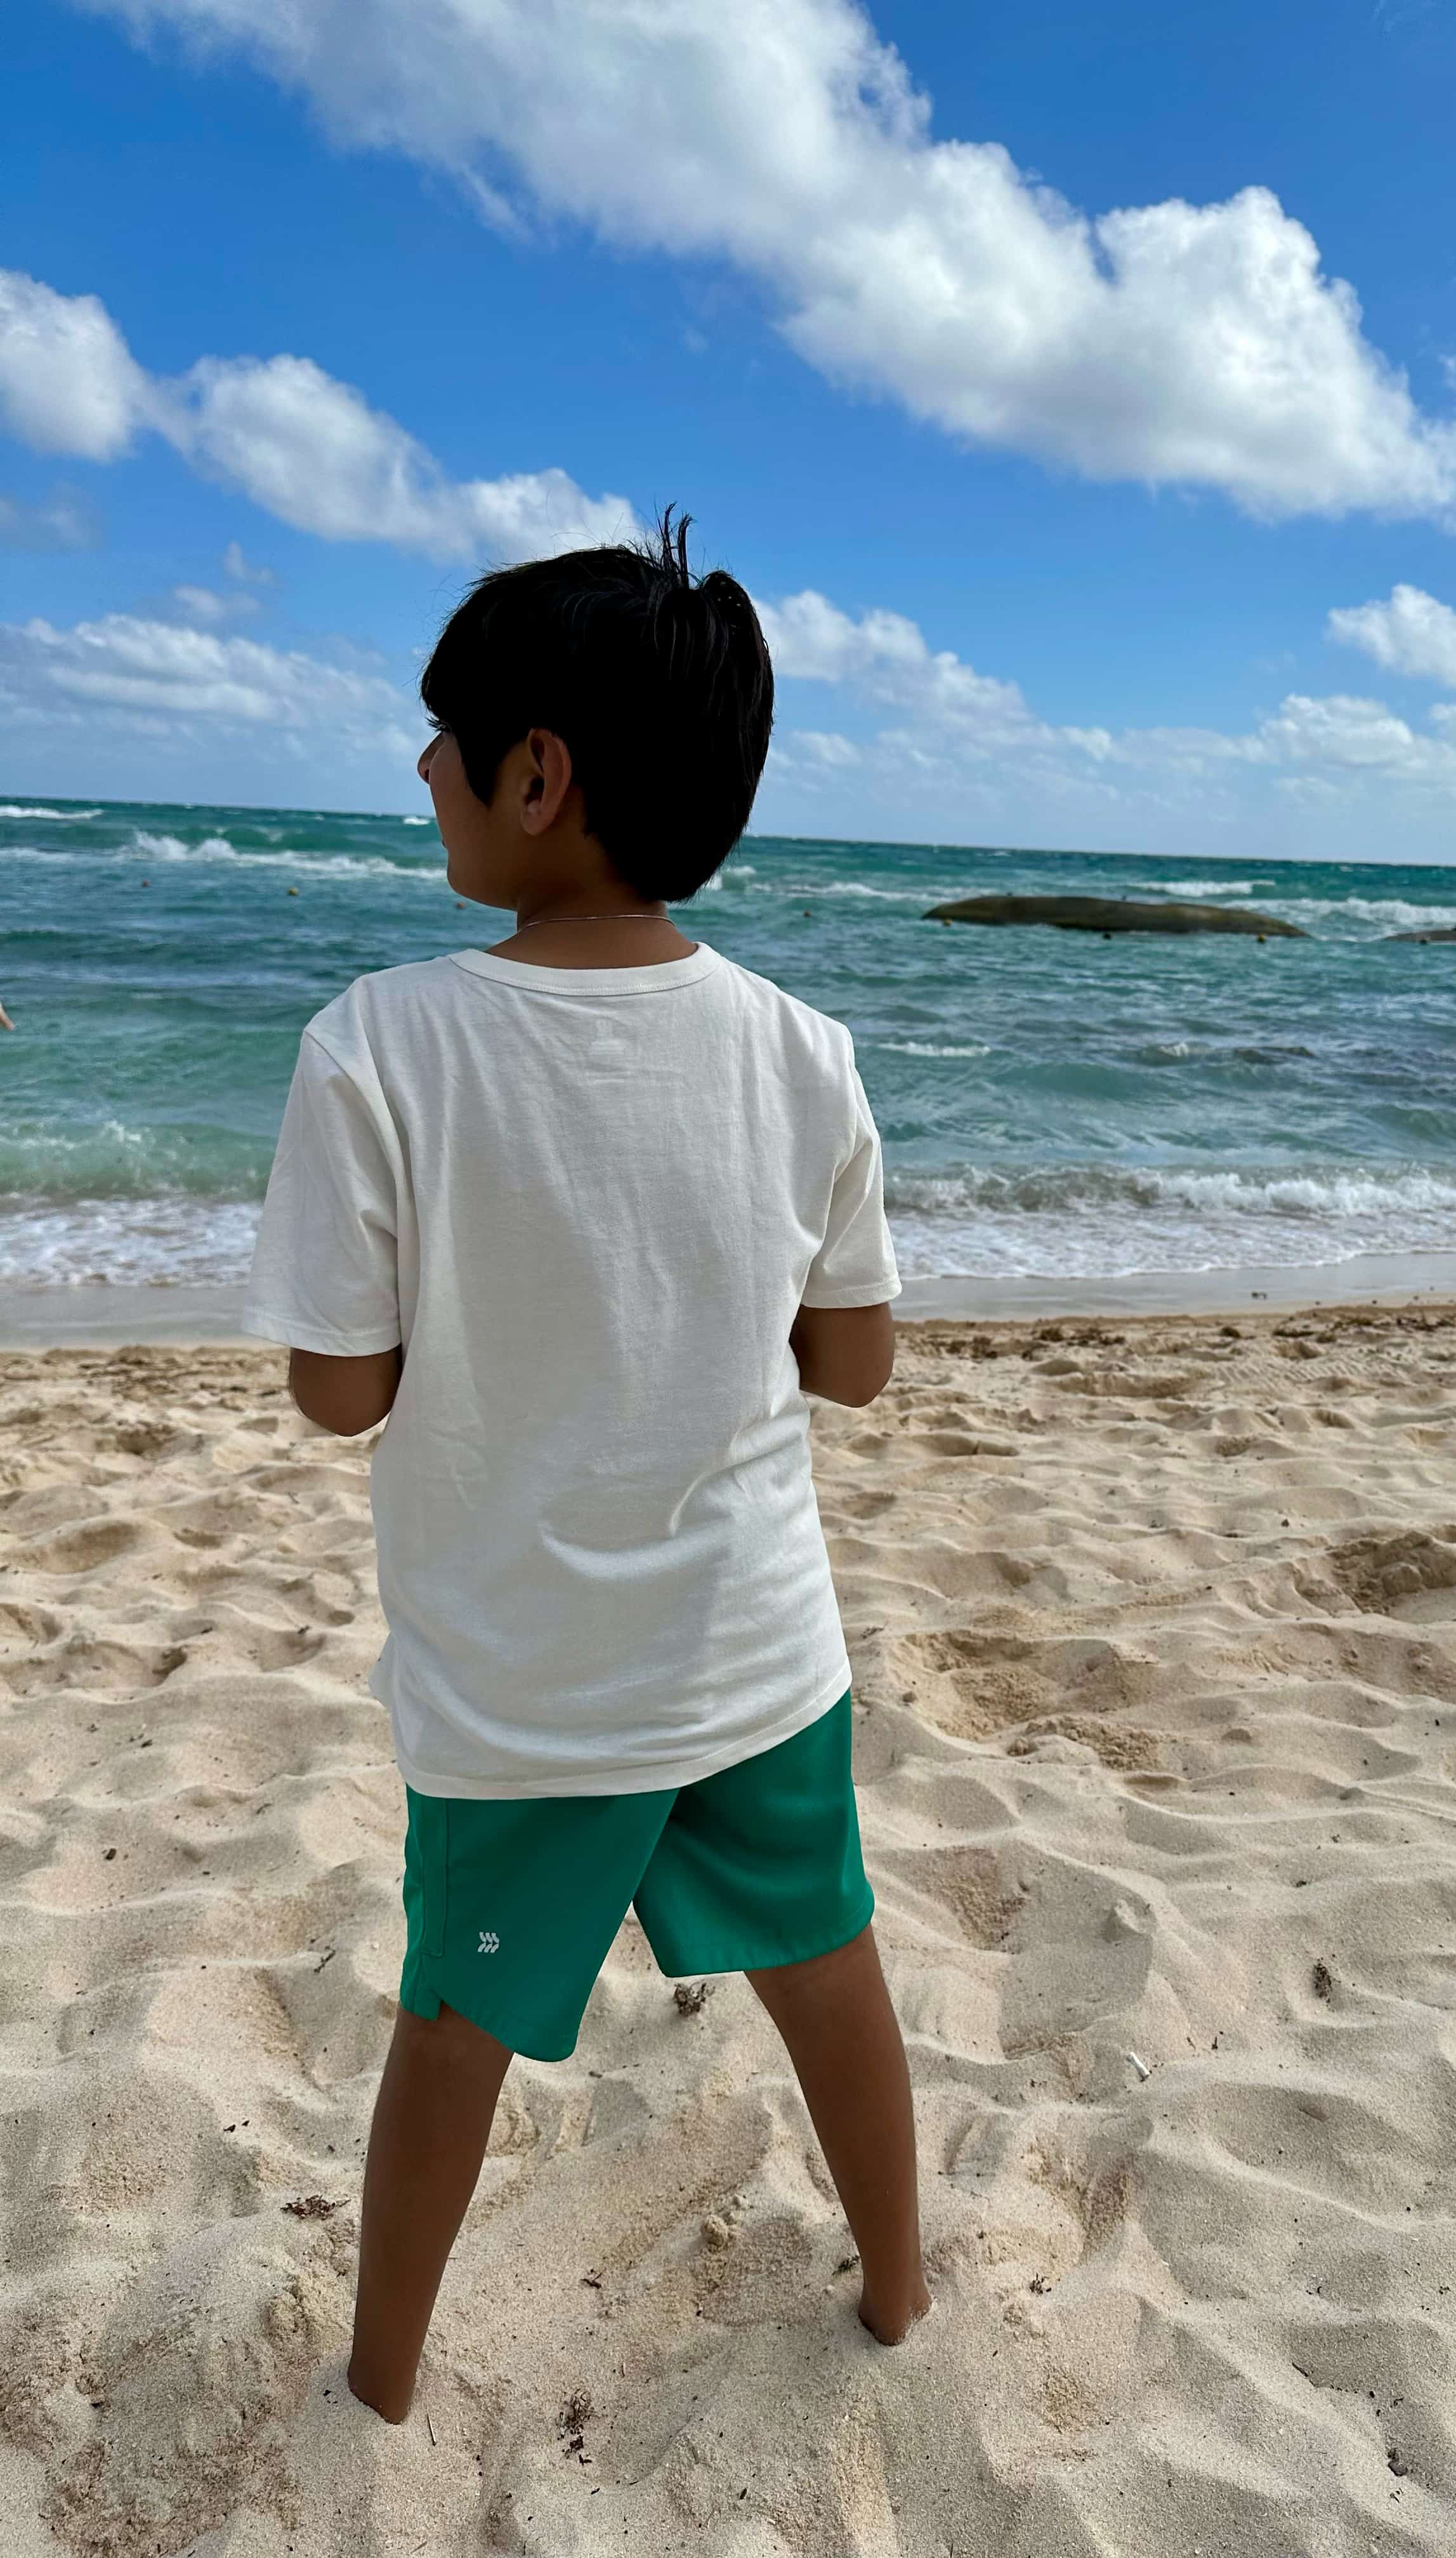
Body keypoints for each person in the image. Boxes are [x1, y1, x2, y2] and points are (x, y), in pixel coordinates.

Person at [242, 516, 927, 2426]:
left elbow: (338, 1394)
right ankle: (898, 2293)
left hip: (524, 1682)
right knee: (833, 1975)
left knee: (451, 2028)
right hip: (755, 1654)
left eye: (448, 734)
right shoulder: (804, 1053)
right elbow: (856, 1368)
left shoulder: (383, 1039)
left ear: (538, 778)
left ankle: (379, 2386)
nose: (421, 766)